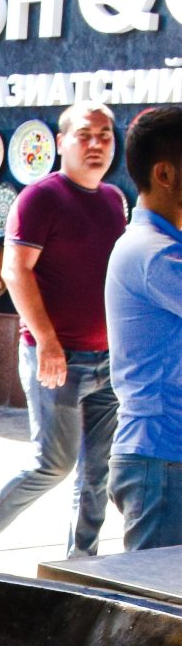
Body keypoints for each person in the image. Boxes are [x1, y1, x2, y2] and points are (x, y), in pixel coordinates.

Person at [0, 103, 125, 568]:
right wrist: (48, 341)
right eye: (84, 135)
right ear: (61, 142)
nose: (96, 144)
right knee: (54, 462)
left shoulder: (114, 200)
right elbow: (16, 272)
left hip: (108, 359)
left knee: (97, 471)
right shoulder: (41, 197)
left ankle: (81, 562)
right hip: (55, 356)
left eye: (105, 135)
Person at [105, 105, 182, 552]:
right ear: (166, 174)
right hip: (163, 465)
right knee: (159, 618)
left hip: (163, 463)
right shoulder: (156, 254)